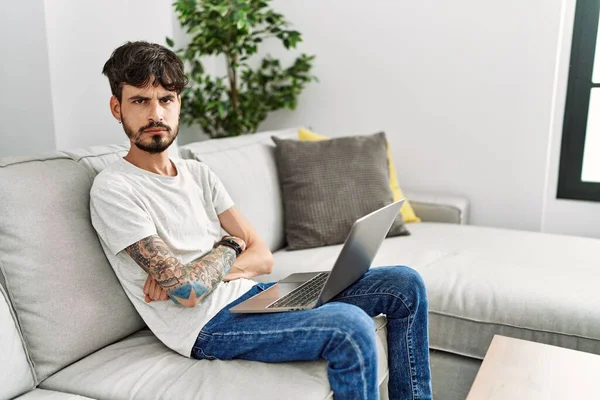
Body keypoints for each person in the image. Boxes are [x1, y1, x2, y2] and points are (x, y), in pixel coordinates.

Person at [90, 41, 432, 400]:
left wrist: (202, 272)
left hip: (257, 294)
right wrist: (229, 246)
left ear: (179, 105)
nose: (155, 114)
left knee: (404, 284)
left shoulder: (197, 173)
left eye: (166, 99)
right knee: (351, 327)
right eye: (140, 100)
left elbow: (262, 257)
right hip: (208, 326)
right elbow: (188, 292)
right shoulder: (114, 188)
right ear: (117, 107)